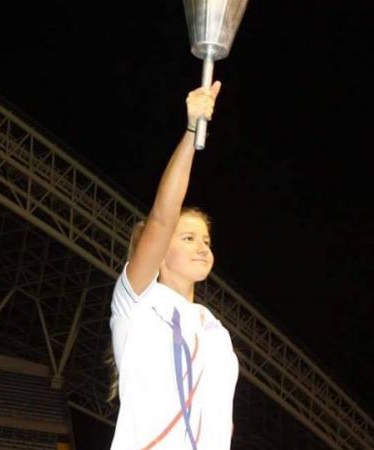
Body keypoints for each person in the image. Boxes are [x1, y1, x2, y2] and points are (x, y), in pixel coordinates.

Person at [108, 81, 238, 450]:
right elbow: (163, 217)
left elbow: (219, 425)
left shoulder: (216, 332)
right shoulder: (137, 304)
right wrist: (191, 130)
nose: (202, 248)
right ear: (160, 250)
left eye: (206, 241)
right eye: (188, 238)